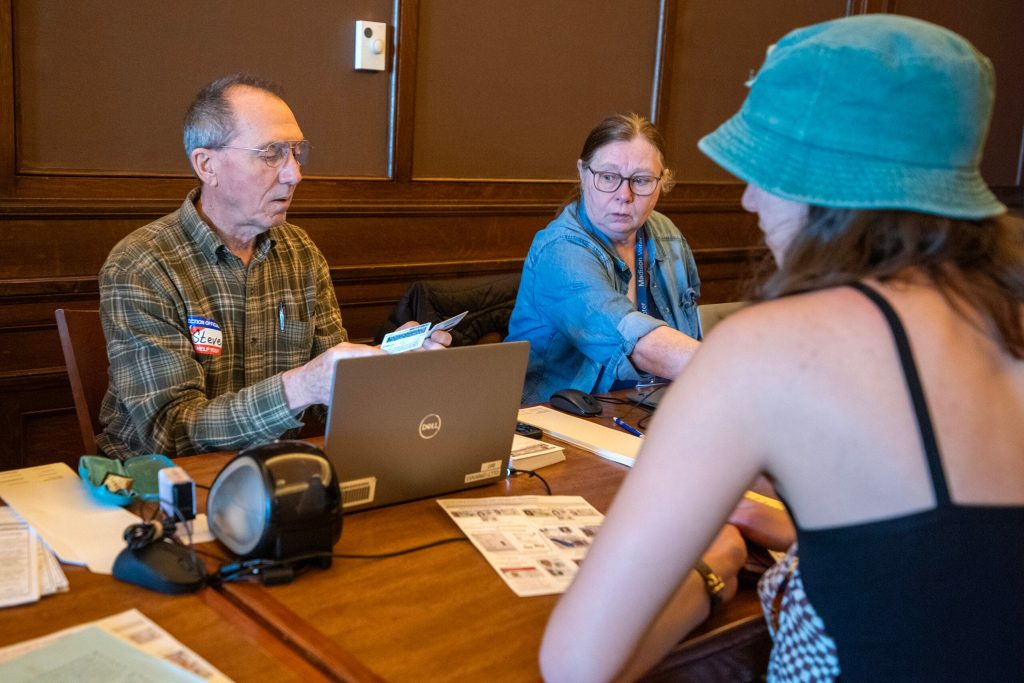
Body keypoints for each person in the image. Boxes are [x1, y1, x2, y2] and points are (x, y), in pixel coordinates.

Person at [541, 14, 1023, 683]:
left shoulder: (766, 348)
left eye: (764, 169)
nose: (748, 196)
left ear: (823, 185)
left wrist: (715, 565)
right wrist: (805, 536)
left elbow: (575, 663)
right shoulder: (1002, 316)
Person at [97, 74, 449, 460]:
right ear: (206, 165)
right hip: (161, 490)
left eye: (297, 153)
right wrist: (300, 387)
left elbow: (329, 399)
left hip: (275, 469)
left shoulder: (300, 252)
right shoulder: (142, 263)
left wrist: (388, 366)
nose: (294, 174)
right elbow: (169, 431)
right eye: (271, 153)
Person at [507, 113, 702, 404]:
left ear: (662, 182)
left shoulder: (666, 234)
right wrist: (734, 369)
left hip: (652, 408)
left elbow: (692, 332)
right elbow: (633, 341)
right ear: (583, 174)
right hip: (558, 424)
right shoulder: (560, 251)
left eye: (641, 180)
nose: (624, 194)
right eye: (608, 177)